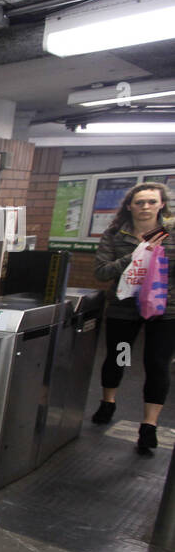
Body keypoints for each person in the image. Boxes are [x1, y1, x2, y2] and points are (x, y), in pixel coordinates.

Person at [91, 181, 175, 455]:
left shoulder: (172, 234)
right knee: (117, 356)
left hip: (165, 309)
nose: (146, 207)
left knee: (157, 362)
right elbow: (102, 271)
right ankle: (108, 401)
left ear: (162, 203)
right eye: (140, 202)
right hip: (124, 306)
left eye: (152, 201)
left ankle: (149, 425)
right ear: (130, 206)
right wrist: (136, 254)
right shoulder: (115, 234)